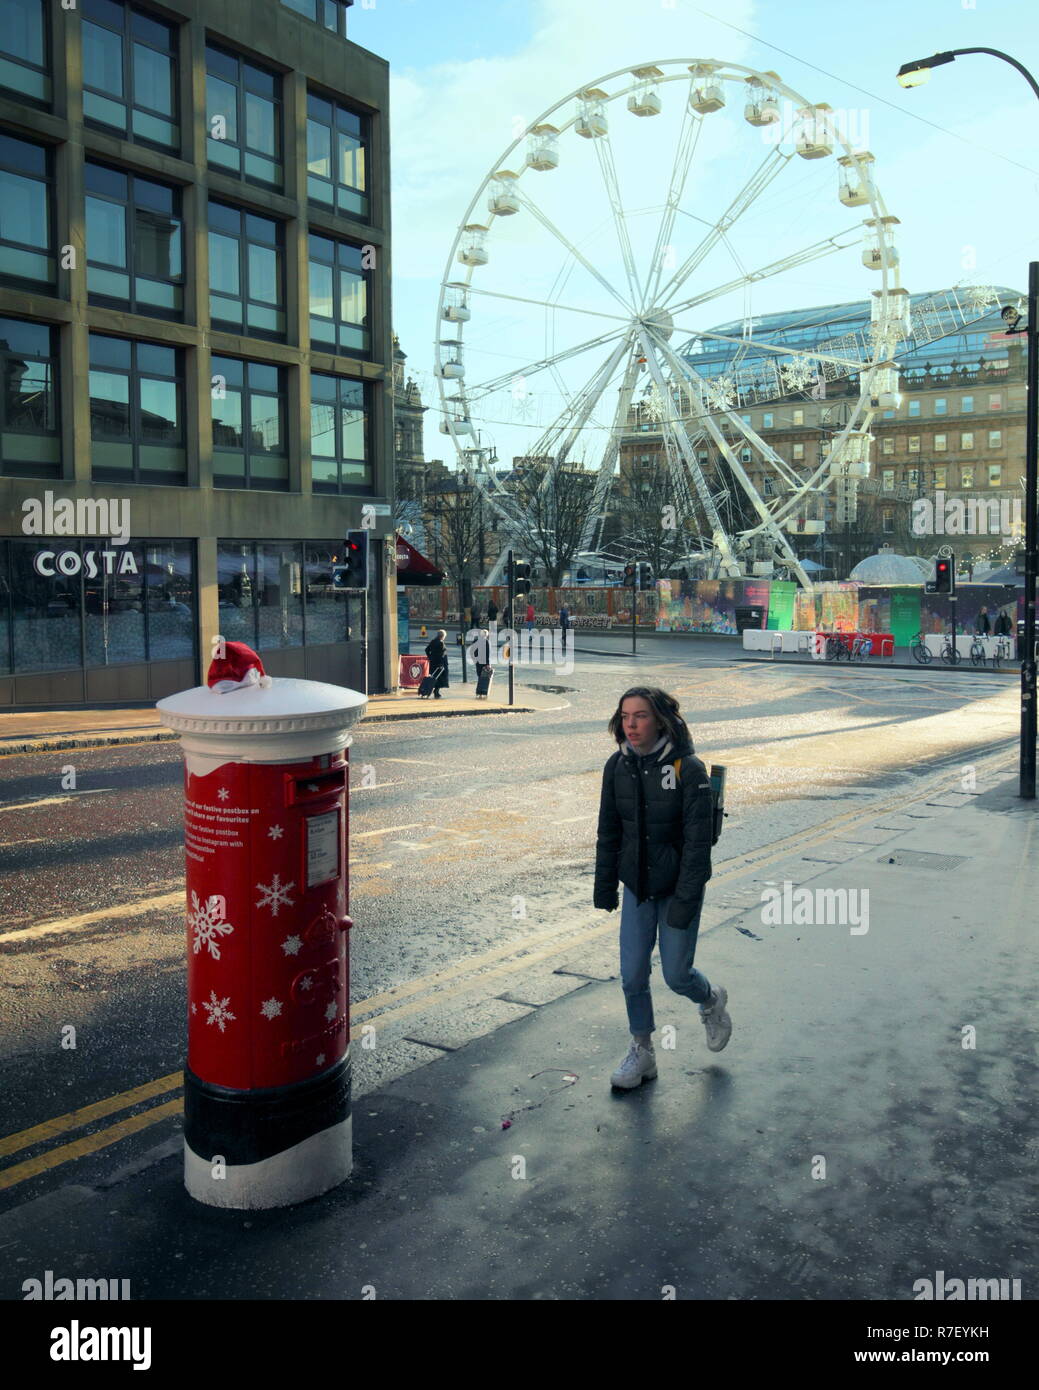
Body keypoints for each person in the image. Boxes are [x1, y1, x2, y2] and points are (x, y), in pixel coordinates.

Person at [594, 686, 731, 1090]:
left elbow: (697, 847)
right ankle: (642, 1051)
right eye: (624, 717)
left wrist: (685, 903)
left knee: (675, 974)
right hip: (637, 886)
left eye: (640, 716)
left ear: (660, 720)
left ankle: (710, 1000)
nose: (631, 725)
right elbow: (609, 831)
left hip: (676, 886)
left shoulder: (688, 769)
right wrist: (605, 887)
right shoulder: (617, 766)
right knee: (632, 974)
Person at [424, 628, 449, 699]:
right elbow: (442, 655)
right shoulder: (441, 643)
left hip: (433, 663)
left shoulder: (433, 641)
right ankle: (436, 692)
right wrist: (441, 664)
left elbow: (426, 650)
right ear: (443, 636)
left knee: (434, 677)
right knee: (440, 678)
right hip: (440, 664)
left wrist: (430, 657)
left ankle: (434, 691)